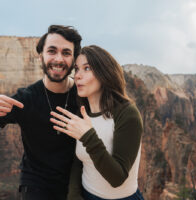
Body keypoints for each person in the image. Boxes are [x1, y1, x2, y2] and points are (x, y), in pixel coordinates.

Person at [0, 25, 82, 200]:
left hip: (77, 185)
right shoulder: (25, 99)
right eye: (52, 51)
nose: (58, 59)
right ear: (40, 56)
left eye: (66, 53)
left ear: (74, 59)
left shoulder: (84, 95)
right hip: (36, 187)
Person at [50, 45, 144, 200]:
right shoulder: (82, 112)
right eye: (77, 69)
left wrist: (88, 136)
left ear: (104, 73)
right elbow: (78, 160)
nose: (78, 75)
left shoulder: (127, 114)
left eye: (87, 68)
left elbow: (117, 178)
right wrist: (73, 195)